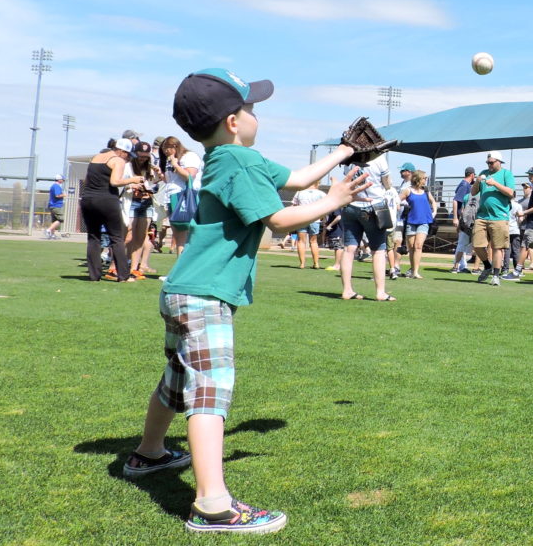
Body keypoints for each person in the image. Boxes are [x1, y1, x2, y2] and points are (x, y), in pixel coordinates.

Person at [125, 68, 370, 535]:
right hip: (204, 295)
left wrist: (344, 151)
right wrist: (335, 198)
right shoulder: (238, 162)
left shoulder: (227, 158)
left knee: (177, 382)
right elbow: (279, 219)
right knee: (209, 394)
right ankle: (212, 505)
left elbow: (297, 179)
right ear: (233, 121)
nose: (257, 114)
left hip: (184, 290)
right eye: (251, 107)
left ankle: (149, 453)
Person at [79, 138, 146, 281]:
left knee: (93, 237)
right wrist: (133, 180)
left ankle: (94, 275)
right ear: (122, 151)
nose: (128, 159)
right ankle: (123, 275)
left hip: (88, 200)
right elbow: (115, 182)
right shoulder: (118, 160)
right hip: (106, 200)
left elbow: (87, 180)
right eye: (128, 155)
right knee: (116, 238)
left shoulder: (96, 157)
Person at [341, 155, 395, 301]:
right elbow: (387, 183)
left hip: (351, 205)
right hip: (374, 206)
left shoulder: (350, 158)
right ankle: (380, 293)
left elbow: (347, 180)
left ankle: (347, 290)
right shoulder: (379, 158)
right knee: (378, 250)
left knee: (349, 249)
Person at [470, 151, 515, 286]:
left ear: (499, 162)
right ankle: (487, 266)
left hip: (499, 217)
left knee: (497, 247)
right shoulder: (483, 172)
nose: (489, 165)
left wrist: (495, 184)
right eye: (487, 162)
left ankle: (495, 275)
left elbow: (510, 193)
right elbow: (473, 192)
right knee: (477, 245)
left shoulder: (506, 174)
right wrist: (477, 182)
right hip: (482, 216)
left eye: (491, 162)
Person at [123, 141, 163, 279]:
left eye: (146, 156)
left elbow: (154, 183)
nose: (143, 159)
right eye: (140, 156)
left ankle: (134, 269)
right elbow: (120, 183)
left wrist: (158, 174)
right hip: (131, 203)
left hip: (146, 203)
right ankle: (117, 266)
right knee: (128, 236)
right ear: (135, 154)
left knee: (140, 238)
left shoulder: (150, 168)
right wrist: (132, 186)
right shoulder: (127, 167)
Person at [159, 136, 203, 256]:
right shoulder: (171, 159)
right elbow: (170, 180)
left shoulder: (189, 156)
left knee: (185, 234)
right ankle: (179, 270)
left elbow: (189, 176)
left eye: (167, 148)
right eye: (164, 149)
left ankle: (185, 270)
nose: (165, 152)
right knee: (178, 235)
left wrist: (176, 165)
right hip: (171, 197)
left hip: (184, 197)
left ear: (175, 146)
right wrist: (161, 175)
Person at [401, 169, 436, 278]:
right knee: (411, 247)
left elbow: (433, 201)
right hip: (411, 221)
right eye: (424, 178)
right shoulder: (408, 190)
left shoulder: (426, 191)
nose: (426, 180)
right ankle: (412, 270)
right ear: (418, 179)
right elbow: (398, 200)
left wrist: (434, 212)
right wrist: (403, 206)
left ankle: (415, 271)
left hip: (424, 221)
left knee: (418, 246)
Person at [292, 181, 326, 269]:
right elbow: (326, 207)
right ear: (317, 183)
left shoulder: (299, 193)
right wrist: (322, 217)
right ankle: (316, 263)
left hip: (302, 218)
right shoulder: (321, 194)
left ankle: (302, 264)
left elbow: (294, 206)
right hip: (315, 219)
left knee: (301, 241)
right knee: (313, 242)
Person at [450, 167, 475, 273]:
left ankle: (462, 265)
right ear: (472, 175)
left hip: (465, 218)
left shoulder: (465, 184)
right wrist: (456, 217)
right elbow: (456, 201)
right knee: (462, 243)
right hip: (463, 219)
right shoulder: (465, 184)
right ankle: (456, 266)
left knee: (464, 244)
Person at [46, 174, 65, 239]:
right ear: (59, 180)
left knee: (54, 221)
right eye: (62, 179)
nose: (63, 181)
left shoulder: (53, 186)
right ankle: (48, 230)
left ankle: (52, 234)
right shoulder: (56, 186)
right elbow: (57, 195)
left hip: (52, 205)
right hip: (56, 205)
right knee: (60, 219)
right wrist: (64, 195)